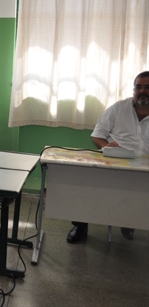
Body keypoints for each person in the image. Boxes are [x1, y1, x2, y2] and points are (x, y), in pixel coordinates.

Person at [67, 71, 149, 243]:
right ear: (133, 90)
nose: (142, 91)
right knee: (89, 182)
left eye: (147, 87)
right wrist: (107, 147)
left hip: (145, 169)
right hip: (115, 163)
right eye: (138, 87)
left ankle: (129, 220)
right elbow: (97, 135)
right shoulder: (119, 108)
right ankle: (81, 225)